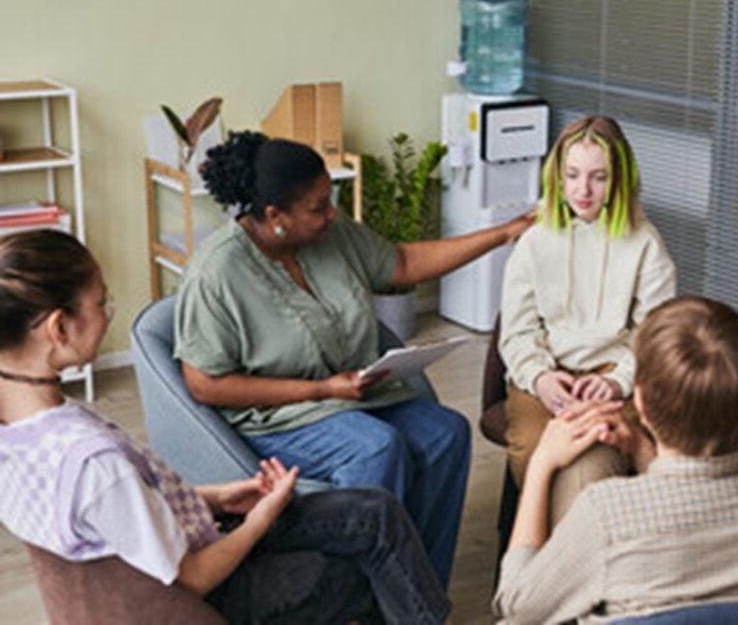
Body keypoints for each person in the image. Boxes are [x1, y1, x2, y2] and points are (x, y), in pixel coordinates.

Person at [0, 229, 450, 624]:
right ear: (58, 328)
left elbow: (113, 521)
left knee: (375, 511)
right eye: (101, 303)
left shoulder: (23, 434)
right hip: (217, 586)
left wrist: (215, 496)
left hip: (186, 535)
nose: (107, 313)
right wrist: (258, 519)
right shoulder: (92, 461)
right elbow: (193, 577)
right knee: (365, 567)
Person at [174, 132, 533, 586]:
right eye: (318, 207)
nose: (332, 213)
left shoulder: (332, 233)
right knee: (376, 447)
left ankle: (419, 596)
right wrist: (322, 389)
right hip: (278, 414)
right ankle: (353, 599)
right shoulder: (217, 273)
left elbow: (400, 263)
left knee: (447, 433)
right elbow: (205, 384)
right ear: (274, 216)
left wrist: (503, 233)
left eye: (331, 199)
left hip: (353, 394)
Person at [493, 296, 738, 623]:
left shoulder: (607, 512)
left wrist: (542, 463)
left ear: (638, 399)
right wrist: (643, 451)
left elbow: (518, 607)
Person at [499, 114, 676, 522]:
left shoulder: (646, 244)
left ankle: (560, 556)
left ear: (619, 180)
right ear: (557, 177)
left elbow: (656, 335)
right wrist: (540, 377)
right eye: (573, 175)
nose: (583, 189)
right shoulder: (534, 241)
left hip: (616, 377)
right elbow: (518, 330)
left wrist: (618, 379)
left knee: (589, 464)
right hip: (544, 375)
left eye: (598, 177)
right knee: (537, 450)